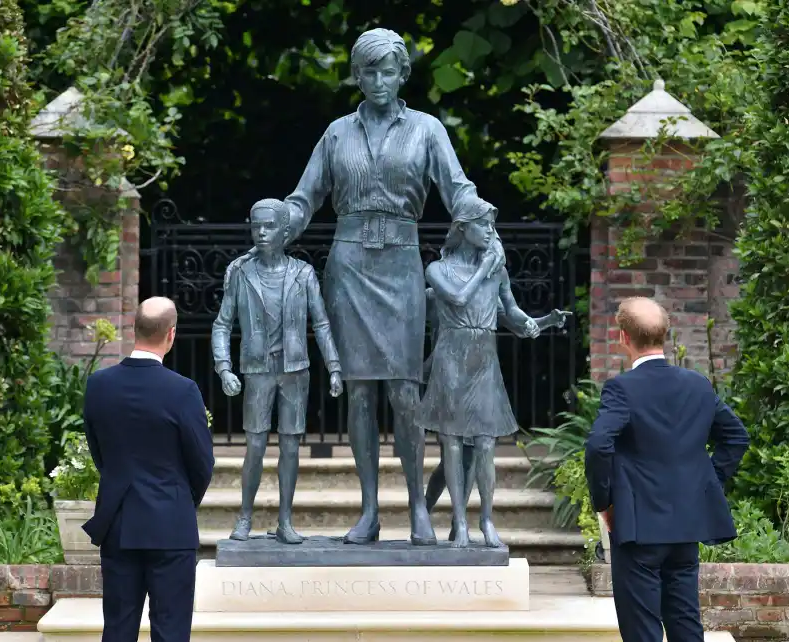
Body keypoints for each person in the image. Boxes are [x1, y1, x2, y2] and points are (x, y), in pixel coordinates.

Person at [228, 28, 506, 546]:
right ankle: (370, 510)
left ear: (403, 75)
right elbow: (305, 197)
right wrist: (276, 223)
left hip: (401, 265)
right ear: (357, 76)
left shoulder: (426, 130)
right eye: (369, 71)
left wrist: (484, 225)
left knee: (404, 390)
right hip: (349, 267)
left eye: (388, 71)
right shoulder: (337, 133)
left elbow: (457, 189)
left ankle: (418, 508)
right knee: (358, 394)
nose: (378, 80)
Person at [584, 297, 749, 642]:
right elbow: (735, 437)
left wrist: (605, 504)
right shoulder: (697, 384)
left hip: (638, 527)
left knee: (642, 631)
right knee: (686, 623)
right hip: (686, 525)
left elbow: (599, 444)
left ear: (623, 337)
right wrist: (705, 484)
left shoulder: (622, 388)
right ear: (665, 335)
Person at [416, 200, 565, 548]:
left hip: (483, 358)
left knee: (485, 444)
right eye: (482, 224)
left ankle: (485, 519)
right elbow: (456, 299)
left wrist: (539, 322)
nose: (489, 231)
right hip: (451, 356)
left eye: (490, 225)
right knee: (451, 443)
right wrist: (484, 269)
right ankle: (459, 522)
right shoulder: (438, 270)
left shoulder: (495, 270)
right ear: (462, 229)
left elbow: (511, 313)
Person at [211, 198, 343, 544]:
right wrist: (224, 368)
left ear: (286, 232)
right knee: (254, 446)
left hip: (295, 369)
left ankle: (285, 520)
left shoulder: (302, 273)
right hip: (257, 370)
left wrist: (334, 367)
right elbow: (222, 325)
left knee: (290, 447)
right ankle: (245, 517)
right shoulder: (241, 273)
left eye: (269, 226)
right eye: (256, 226)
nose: (262, 233)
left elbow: (322, 323)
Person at [82, 297, 215, 642]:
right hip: (170, 523)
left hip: (119, 521)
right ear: (171, 335)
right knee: (171, 631)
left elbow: (100, 453)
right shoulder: (183, 391)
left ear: (134, 329)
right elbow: (202, 463)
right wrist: (179, 500)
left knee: (118, 629)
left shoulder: (98, 385)